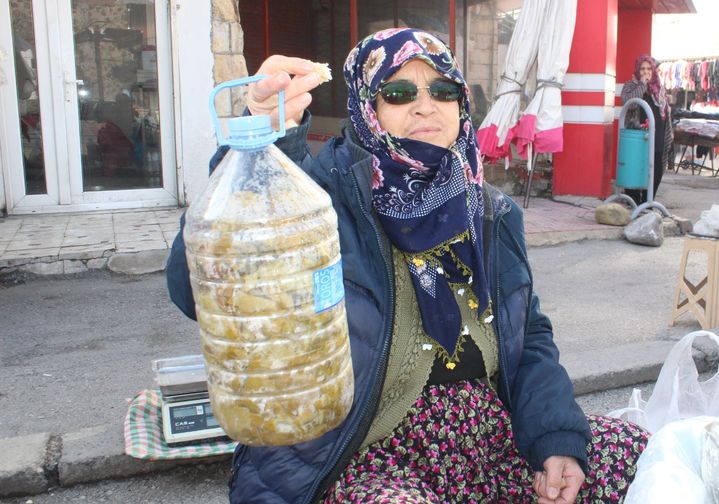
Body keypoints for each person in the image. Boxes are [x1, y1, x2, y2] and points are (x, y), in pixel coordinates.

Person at [166, 28, 649, 503]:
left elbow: (529, 341)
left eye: (443, 89)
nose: (425, 105)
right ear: (366, 109)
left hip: (488, 438)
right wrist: (265, 142)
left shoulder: (490, 211)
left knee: (635, 453)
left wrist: (556, 439)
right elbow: (202, 292)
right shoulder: (320, 198)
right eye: (398, 92)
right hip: (366, 453)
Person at [620, 54, 673, 205]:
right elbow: (627, 100)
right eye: (642, 69)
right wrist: (642, 85)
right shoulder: (631, 85)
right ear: (638, 70)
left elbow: (665, 112)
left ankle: (649, 201)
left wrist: (670, 133)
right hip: (638, 137)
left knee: (656, 170)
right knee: (636, 166)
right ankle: (634, 201)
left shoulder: (659, 88)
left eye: (649, 68)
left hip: (658, 135)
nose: (646, 72)